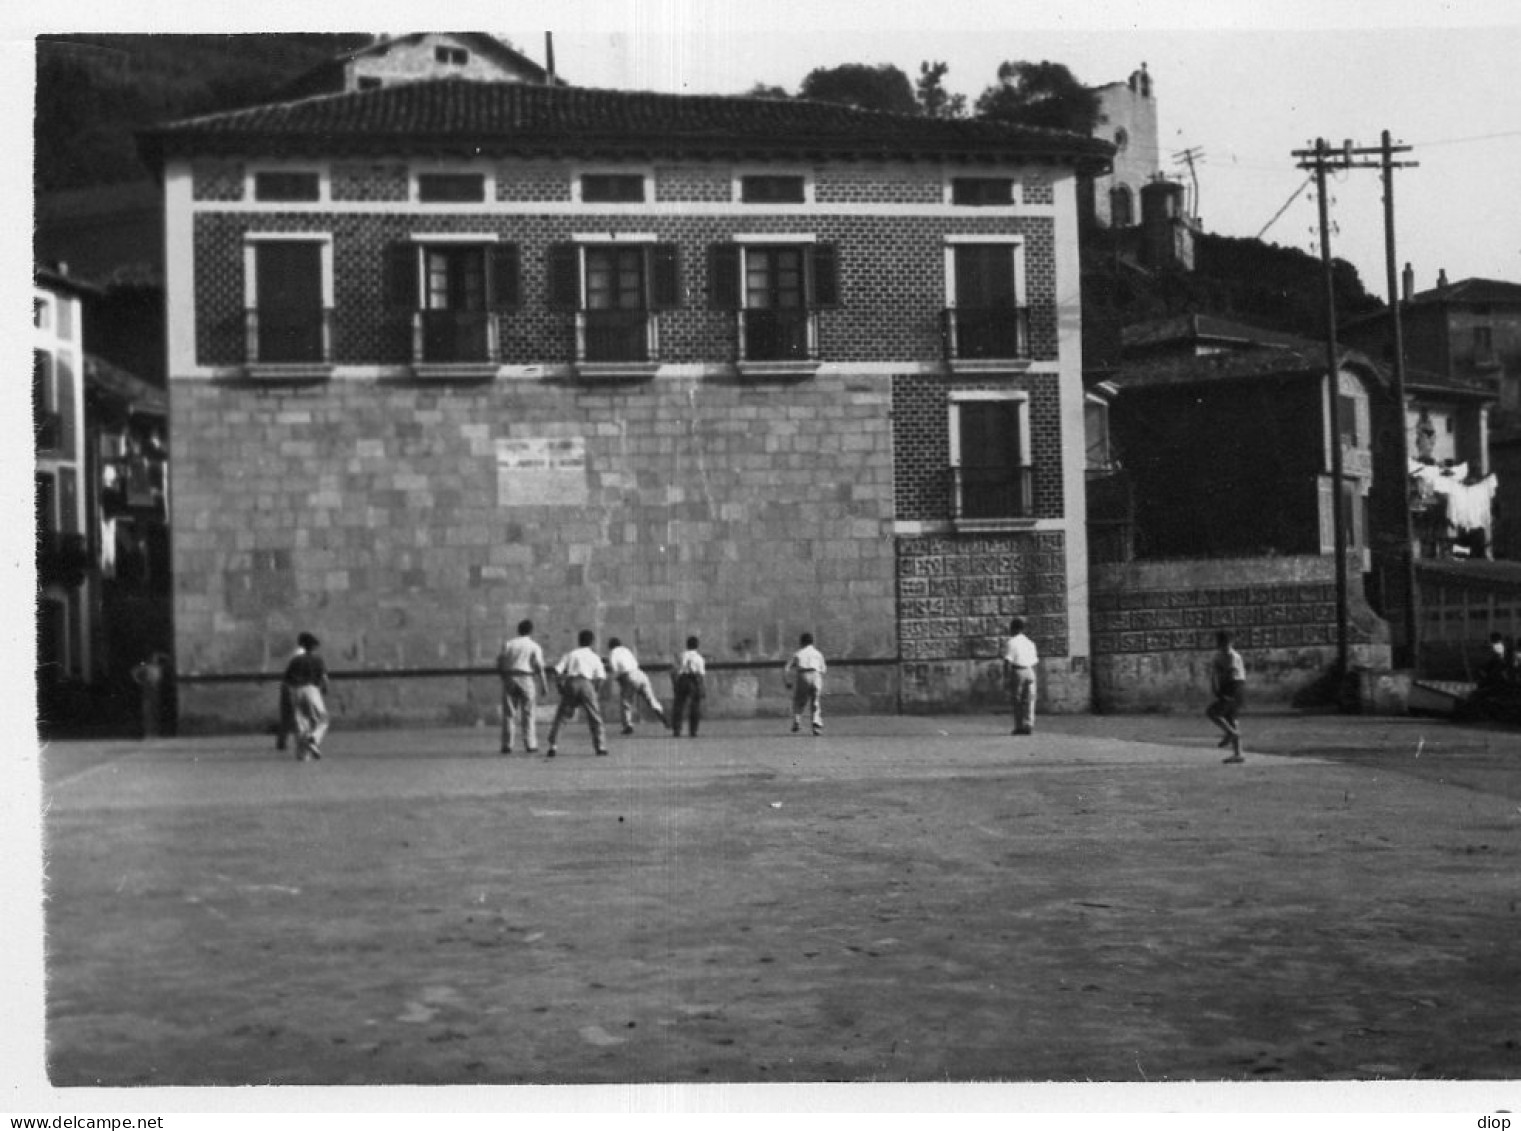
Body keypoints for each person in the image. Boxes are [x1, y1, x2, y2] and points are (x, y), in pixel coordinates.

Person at [546, 629, 608, 758]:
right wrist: (595, 691)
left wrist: (560, 686)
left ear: (579, 640)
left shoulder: (571, 654)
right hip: (587, 683)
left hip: (571, 682)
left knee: (562, 716)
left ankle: (553, 746)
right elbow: (601, 677)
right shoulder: (594, 657)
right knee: (595, 717)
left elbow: (556, 671)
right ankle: (600, 747)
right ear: (592, 642)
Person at [496, 618, 550, 755]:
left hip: (510, 677)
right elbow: (539, 667)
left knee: (509, 714)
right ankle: (530, 744)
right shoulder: (534, 646)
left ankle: (507, 745)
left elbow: (500, 661)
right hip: (526, 678)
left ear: (518, 630)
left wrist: (503, 676)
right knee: (528, 713)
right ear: (531, 631)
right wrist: (544, 685)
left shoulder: (509, 644)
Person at [283, 632, 330, 762]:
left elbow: (286, 680)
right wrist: (325, 689)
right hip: (311, 689)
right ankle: (313, 739)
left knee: (301, 722)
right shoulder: (318, 659)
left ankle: (302, 755)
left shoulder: (295, 660)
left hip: (296, 690)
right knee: (323, 719)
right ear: (313, 646)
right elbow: (324, 679)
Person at [607, 636, 668, 735]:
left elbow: (614, 668)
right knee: (651, 699)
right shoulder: (626, 650)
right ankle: (660, 712)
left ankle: (628, 726)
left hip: (628, 676)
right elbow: (635, 663)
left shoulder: (613, 653)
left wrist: (617, 678)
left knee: (626, 702)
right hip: (640, 674)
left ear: (611, 646)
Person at [1207, 630, 1247, 764]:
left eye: (1226, 642)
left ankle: (1232, 733)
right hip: (1228, 687)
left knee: (1213, 713)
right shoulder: (1217, 656)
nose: (1223, 645)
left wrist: (1227, 691)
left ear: (1231, 642)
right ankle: (1238, 753)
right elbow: (1214, 675)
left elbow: (1231, 673)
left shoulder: (1233, 656)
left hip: (1234, 687)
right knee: (1231, 718)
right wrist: (1215, 689)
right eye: (1221, 642)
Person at [1001, 617, 1039, 736]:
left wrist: (1006, 677)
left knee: (1017, 700)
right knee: (1029, 700)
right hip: (1030, 670)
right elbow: (1035, 661)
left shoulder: (1011, 642)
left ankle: (1019, 726)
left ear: (1013, 628)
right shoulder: (1030, 643)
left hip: (1018, 671)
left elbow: (1008, 661)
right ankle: (1028, 724)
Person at [784, 632, 827, 736]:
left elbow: (786, 668)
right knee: (815, 701)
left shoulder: (798, 653)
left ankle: (797, 721)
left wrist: (787, 681)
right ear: (812, 642)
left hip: (803, 675)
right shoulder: (818, 653)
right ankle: (816, 725)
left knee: (799, 700)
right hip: (816, 675)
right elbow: (824, 670)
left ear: (801, 642)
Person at [671, 636, 707, 737]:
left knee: (679, 705)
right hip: (694, 679)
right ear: (697, 646)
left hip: (683, 679)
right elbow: (701, 674)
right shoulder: (699, 658)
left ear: (687, 645)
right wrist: (702, 687)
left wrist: (675, 684)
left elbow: (674, 671)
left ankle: (677, 729)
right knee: (695, 706)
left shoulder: (681, 656)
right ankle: (693, 730)